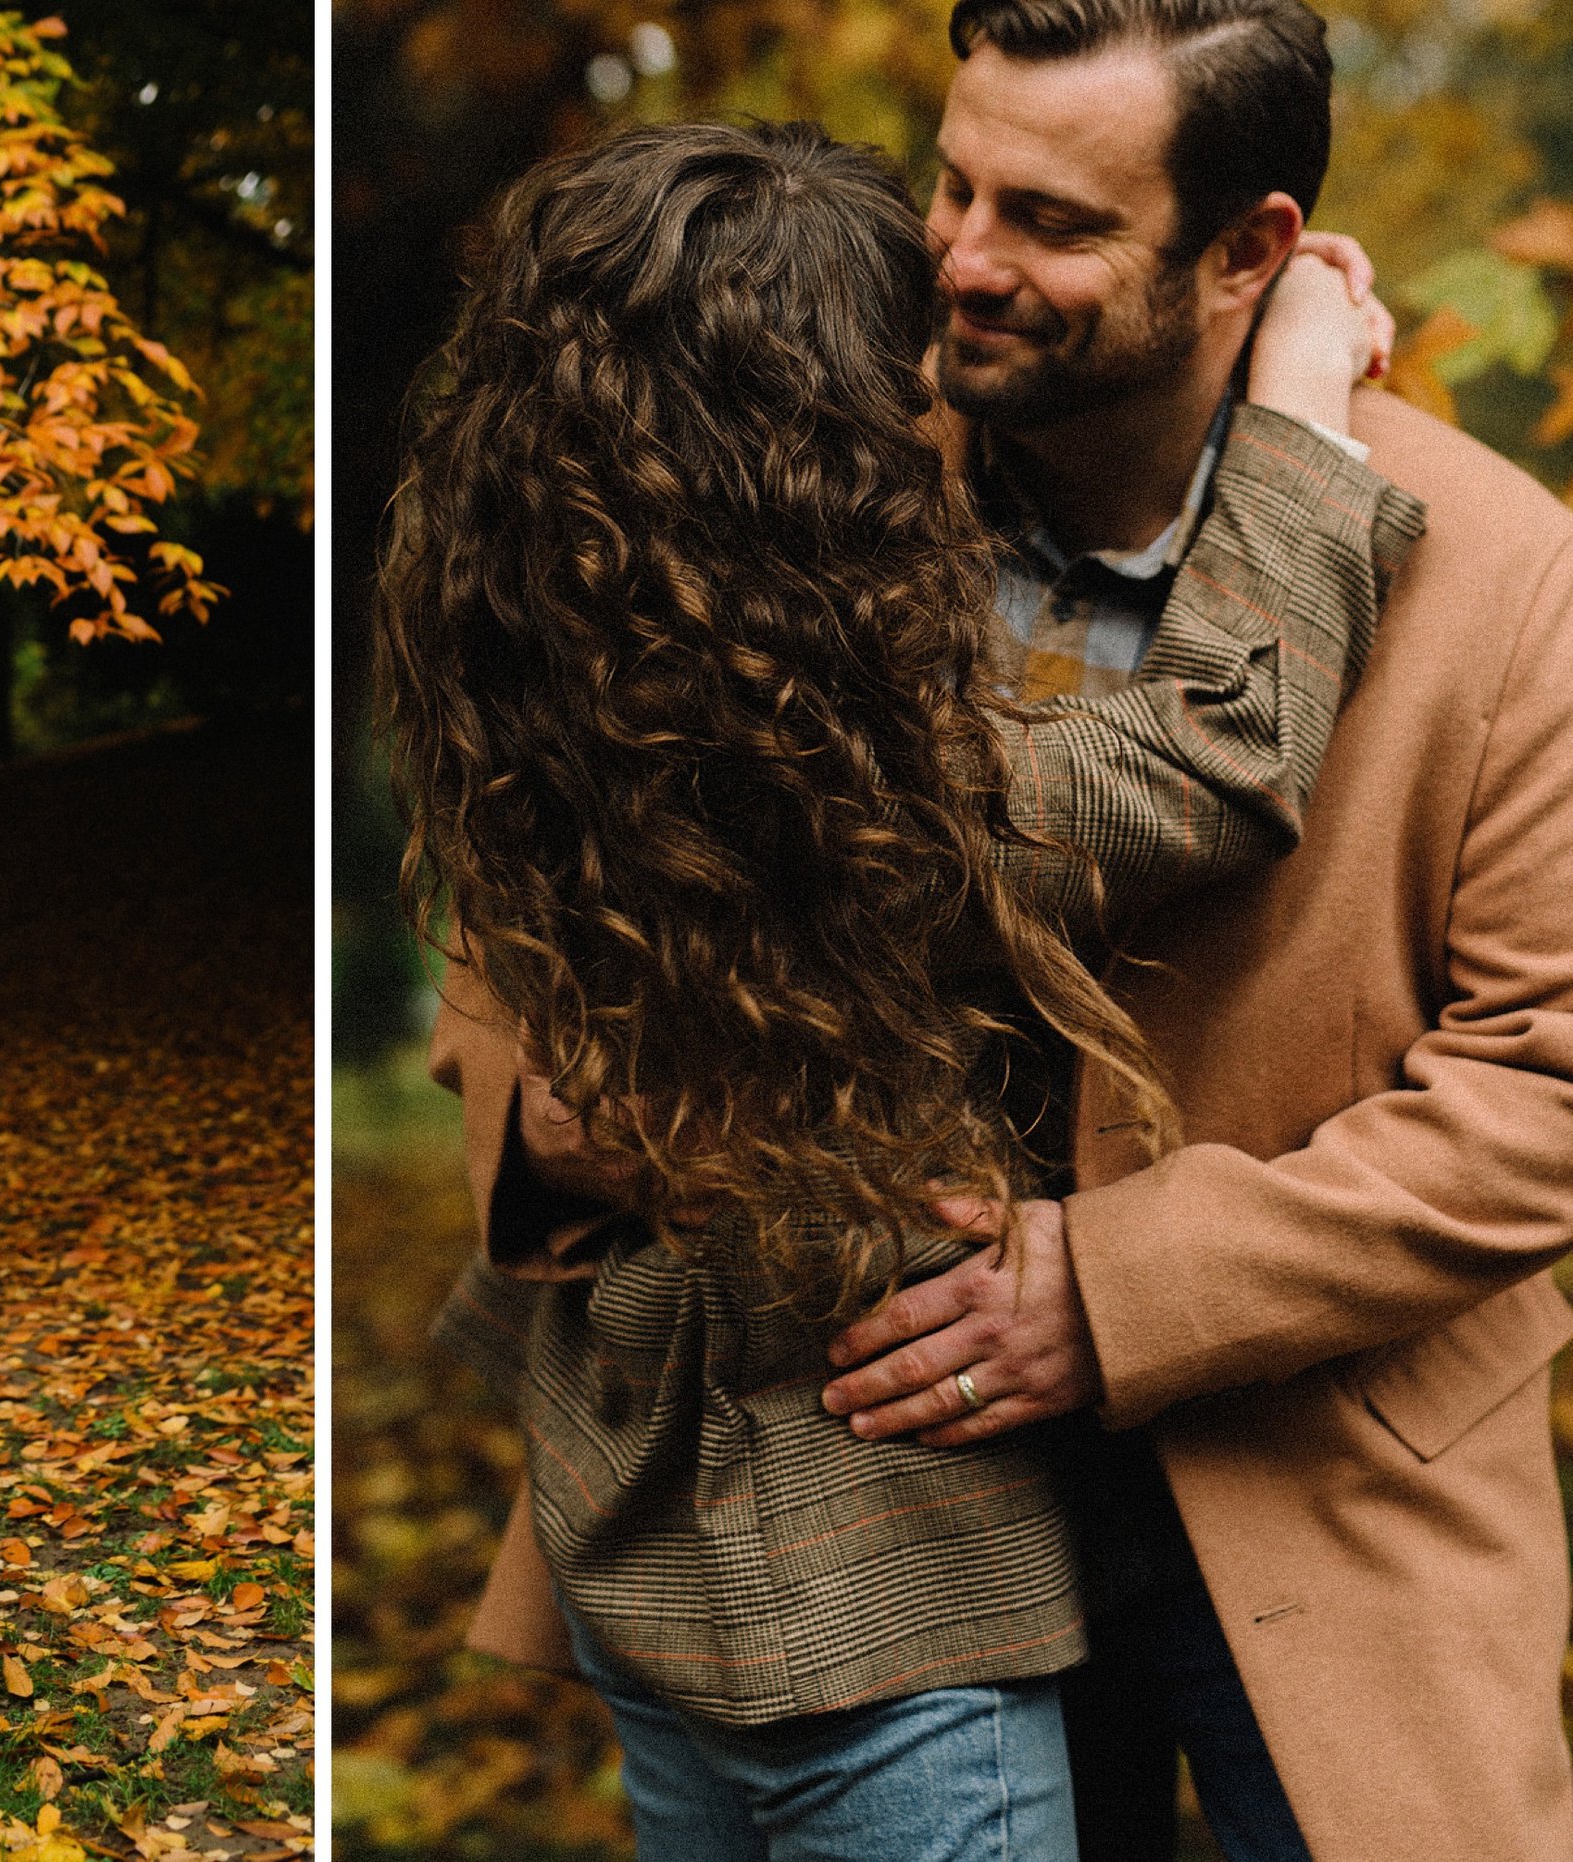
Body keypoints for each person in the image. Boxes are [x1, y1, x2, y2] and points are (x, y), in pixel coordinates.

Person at [379, 119, 1410, 1859]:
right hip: (883, 1607)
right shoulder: (865, 806)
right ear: (822, 464)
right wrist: (1303, 399)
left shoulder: (537, 704)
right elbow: (1221, 742)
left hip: (641, 1550)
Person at [803, 2, 1573, 1854]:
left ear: (1252, 253)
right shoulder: (812, 491)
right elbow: (573, 869)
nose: (965, 262)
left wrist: (1123, 1289)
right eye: (954, 184)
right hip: (891, 1464)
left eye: (1054, 223)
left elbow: (1549, 1086)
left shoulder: (1506, 565)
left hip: (1333, 1467)